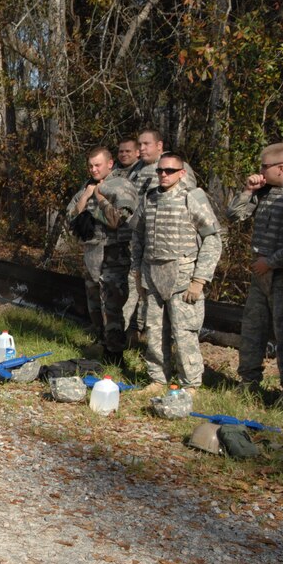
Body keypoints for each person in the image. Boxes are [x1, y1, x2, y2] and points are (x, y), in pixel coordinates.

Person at [131, 152, 222, 393]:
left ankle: (189, 383)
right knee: (154, 331)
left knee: (184, 333)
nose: (163, 174)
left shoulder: (192, 197)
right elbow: (138, 236)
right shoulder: (148, 199)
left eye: (169, 171)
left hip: (183, 276)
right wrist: (137, 271)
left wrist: (199, 280)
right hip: (152, 274)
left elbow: (212, 239)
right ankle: (158, 378)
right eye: (160, 170)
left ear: (181, 173)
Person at [226, 143, 283, 405]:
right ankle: (248, 382)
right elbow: (234, 215)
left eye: (264, 166)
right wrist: (248, 191)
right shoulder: (266, 192)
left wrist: (271, 262)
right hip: (260, 277)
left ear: (280, 168)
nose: (259, 170)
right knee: (252, 331)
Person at [122, 129, 197, 340]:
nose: (141, 148)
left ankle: (169, 347)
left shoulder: (174, 168)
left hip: (170, 254)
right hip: (141, 247)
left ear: (160, 146)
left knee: (169, 312)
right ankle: (126, 340)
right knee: (134, 296)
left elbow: (186, 207)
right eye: (140, 144)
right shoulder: (138, 170)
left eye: (146, 144)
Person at [65, 146, 138, 362]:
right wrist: (87, 195)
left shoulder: (121, 186)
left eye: (98, 165)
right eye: (90, 166)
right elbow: (71, 216)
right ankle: (101, 345)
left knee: (112, 306)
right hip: (92, 253)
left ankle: (115, 355)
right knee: (94, 304)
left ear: (110, 164)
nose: (94, 169)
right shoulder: (87, 186)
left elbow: (117, 219)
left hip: (113, 254)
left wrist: (99, 198)